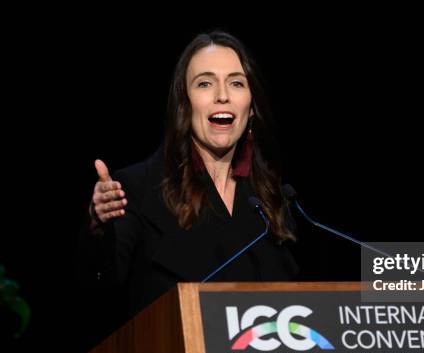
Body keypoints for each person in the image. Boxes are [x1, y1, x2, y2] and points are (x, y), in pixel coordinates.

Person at [78, 31, 298, 320]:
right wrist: (97, 226)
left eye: (236, 83)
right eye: (205, 83)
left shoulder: (273, 200)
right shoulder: (138, 187)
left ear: (252, 107)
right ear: (184, 103)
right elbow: (99, 289)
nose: (222, 95)